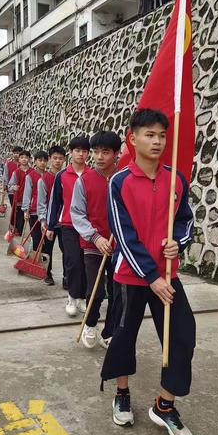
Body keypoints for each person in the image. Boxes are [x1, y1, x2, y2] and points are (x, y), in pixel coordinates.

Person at [100, 109, 195, 435]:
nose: (157, 141)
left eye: (162, 135)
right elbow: (123, 234)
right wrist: (151, 274)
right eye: (150, 135)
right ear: (133, 138)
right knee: (123, 337)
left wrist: (178, 241)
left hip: (168, 276)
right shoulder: (119, 181)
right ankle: (122, 393)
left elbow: (186, 220)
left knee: (182, 335)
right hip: (132, 276)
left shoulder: (176, 179)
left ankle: (164, 406)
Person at [71, 131, 121, 349]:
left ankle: (109, 331)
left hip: (121, 248)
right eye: (96, 151)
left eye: (106, 152)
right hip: (93, 245)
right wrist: (96, 236)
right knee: (96, 291)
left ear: (116, 154)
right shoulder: (85, 181)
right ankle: (90, 324)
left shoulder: (125, 178)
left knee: (119, 294)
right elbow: (77, 213)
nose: (99, 157)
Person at [47, 135, 90, 317]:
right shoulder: (62, 176)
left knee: (86, 263)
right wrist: (50, 226)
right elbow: (55, 202)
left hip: (89, 228)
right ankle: (72, 297)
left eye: (84, 151)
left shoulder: (93, 174)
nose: (81, 154)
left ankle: (82, 298)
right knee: (72, 262)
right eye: (77, 150)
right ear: (70, 153)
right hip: (68, 225)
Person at [38, 145, 66, 286]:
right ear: (49, 159)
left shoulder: (67, 177)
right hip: (50, 221)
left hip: (65, 221)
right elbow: (41, 202)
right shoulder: (44, 179)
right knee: (47, 249)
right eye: (55, 158)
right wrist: (43, 220)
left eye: (60, 158)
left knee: (67, 250)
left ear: (64, 160)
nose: (57, 161)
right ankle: (47, 273)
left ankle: (67, 277)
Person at [22, 151, 48, 251]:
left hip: (46, 212)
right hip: (34, 211)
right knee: (36, 237)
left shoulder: (48, 176)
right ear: (35, 161)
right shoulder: (30, 176)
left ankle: (42, 259)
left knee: (45, 238)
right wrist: (25, 210)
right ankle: (34, 258)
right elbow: (27, 193)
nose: (42, 163)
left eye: (45, 161)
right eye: (40, 160)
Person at [8, 150, 33, 236]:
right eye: (22, 157)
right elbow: (10, 186)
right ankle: (18, 233)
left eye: (26, 157)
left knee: (30, 221)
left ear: (29, 159)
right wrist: (13, 187)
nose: (24, 159)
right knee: (19, 220)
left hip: (31, 201)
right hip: (19, 199)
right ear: (19, 159)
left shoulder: (33, 172)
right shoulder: (16, 172)